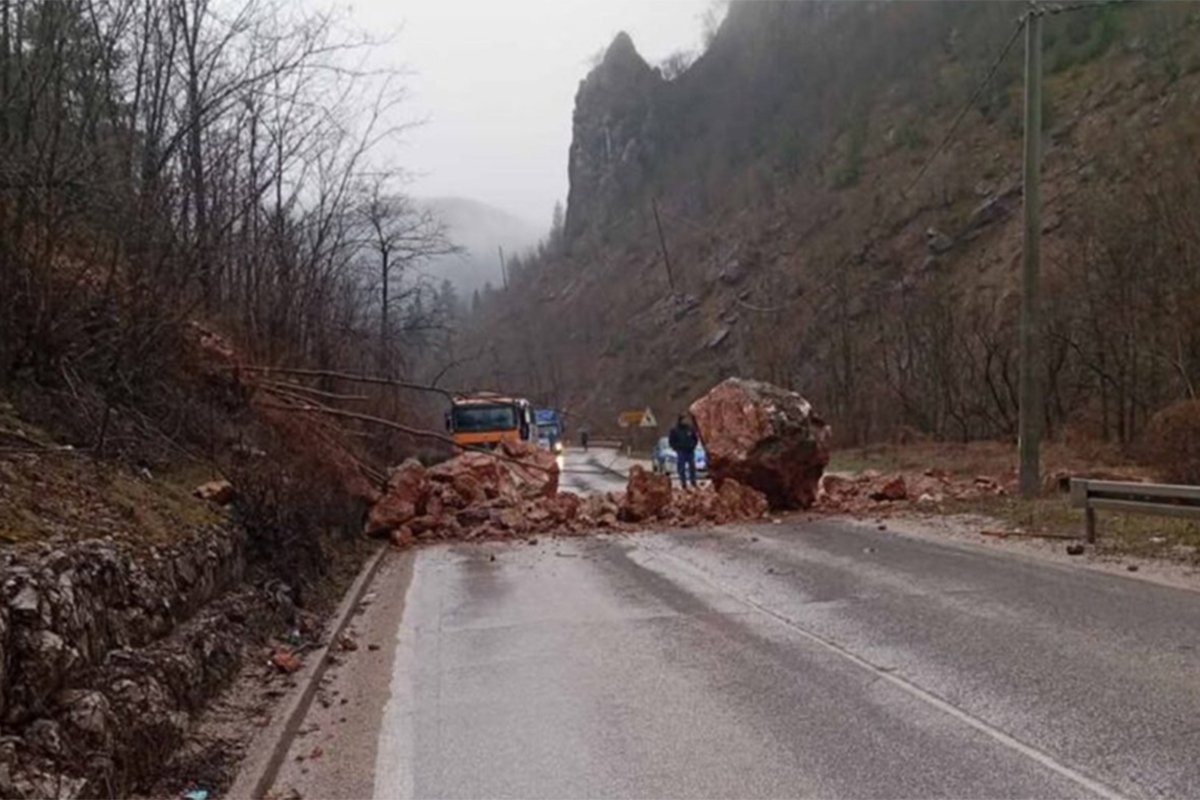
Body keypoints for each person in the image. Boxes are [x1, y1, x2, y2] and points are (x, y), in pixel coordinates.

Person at [668, 414, 700, 489]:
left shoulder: (690, 429)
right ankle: (683, 483)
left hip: (690, 451)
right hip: (681, 451)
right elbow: (671, 441)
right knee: (681, 468)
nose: (685, 421)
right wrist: (676, 448)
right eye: (683, 420)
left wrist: (693, 446)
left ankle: (693, 482)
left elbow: (695, 439)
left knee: (692, 467)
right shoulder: (675, 430)